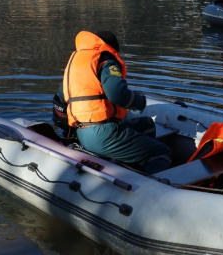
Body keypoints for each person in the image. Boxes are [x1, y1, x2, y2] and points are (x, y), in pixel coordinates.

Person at [61, 30, 172, 174]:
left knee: (146, 125)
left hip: (82, 132)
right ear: (112, 47)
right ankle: (148, 188)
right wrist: (140, 103)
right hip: (103, 134)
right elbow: (118, 95)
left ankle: (135, 166)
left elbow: (61, 98)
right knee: (162, 152)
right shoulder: (105, 61)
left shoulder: (76, 62)